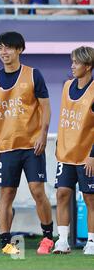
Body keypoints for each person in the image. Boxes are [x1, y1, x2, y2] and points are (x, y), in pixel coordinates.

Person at [0, 31, 54, 255]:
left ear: (19, 50)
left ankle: (47, 238)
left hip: (32, 145)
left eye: (9, 48)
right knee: (5, 194)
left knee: (37, 191)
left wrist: (43, 134)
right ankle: (6, 242)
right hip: (5, 147)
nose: (4, 52)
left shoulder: (34, 75)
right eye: (1, 48)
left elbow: (45, 107)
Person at [53, 46, 94, 255]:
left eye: (76, 62)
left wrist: (93, 155)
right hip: (66, 154)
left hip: (87, 155)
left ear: (87, 66)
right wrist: (59, 143)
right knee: (61, 194)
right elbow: (63, 118)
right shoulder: (67, 86)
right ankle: (62, 241)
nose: (72, 65)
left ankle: (92, 242)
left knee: (90, 199)